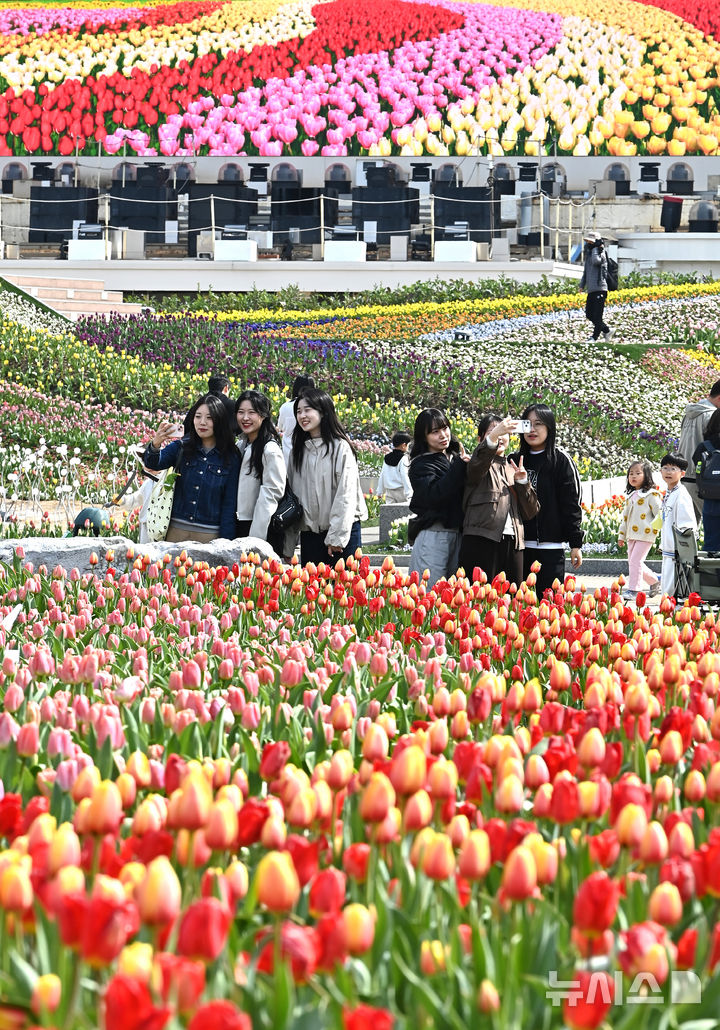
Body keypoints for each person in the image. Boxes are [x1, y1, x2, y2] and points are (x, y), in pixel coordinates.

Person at [286, 387, 367, 564]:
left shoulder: (340, 448)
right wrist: (288, 545)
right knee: (313, 590)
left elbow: (346, 495)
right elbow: (292, 500)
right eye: (298, 411)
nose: (302, 416)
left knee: (345, 589)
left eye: (308, 410)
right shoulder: (298, 452)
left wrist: (336, 538)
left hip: (343, 535)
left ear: (323, 412)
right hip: (311, 536)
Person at [143, 393, 240, 542]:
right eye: (198, 416)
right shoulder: (182, 447)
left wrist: (226, 542)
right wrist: (156, 444)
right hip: (175, 532)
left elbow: (229, 503)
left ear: (219, 420)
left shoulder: (230, 456)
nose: (202, 422)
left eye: (209, 418)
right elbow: (153, 463)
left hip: (210, 535)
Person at [511, 403, 583, 596]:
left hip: (550, 548)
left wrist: (575, 544)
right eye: (527, 424)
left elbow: (571, 503)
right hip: (519, 548)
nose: (532, 429)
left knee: (548, 609)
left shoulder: (560, 461)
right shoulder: (513, 459)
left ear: (549, 428)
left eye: (538, 424)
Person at [459, 414, 539, 585]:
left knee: (511, 603)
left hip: (514, 542)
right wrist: (493, 436)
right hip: (482, 540)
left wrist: (523, 482)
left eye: (505, 432)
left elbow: (531, 512)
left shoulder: (513, 469)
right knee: (479, 599)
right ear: (481, 438)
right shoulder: (474, 463)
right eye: (494, 432)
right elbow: (478, 465)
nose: (501, 436)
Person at [407, 408, 468, 587]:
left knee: (451, 597)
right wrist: (458, 467)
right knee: (430, 592)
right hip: (434, 534)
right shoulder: (421, 464)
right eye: (435, 432)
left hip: (457, 533)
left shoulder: (453, 457)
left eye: (445, 428)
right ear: (423, 437)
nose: (443, 435)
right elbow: (435, 495)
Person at [235, 389, 287, 554]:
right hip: (241, 521)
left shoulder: (269, 449)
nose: (245, 418)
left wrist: (255, 540)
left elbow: (271, 494)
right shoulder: (242, 444)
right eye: (241, 412)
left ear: (263, 416)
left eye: (252, 413)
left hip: (259, 527)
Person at [617, 459, 662, 601]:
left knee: (635, 561)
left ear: (647, 476)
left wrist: (654, 530)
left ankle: (634, 590)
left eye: (638, 473)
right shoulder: (631, 496)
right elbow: (625, 518)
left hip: (645, 535)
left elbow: (660, 514)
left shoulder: (652, 495)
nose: (633, 476)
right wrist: (621, 536)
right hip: (632, 535)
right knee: (634, 562)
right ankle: (654, 580)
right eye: (631, 474)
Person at [658, 452, 697, 598]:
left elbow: (687, 525)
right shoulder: (669, 492)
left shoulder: (681, 495)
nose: (668, 472)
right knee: (667, 590)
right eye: (665, 468)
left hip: (676, 553)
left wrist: (682, 550)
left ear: (682, 473)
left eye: (673, 468)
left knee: (673, 593)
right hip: (668, 550)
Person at [679, 379, 720, 519]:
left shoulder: (690, 412)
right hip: (703, 477)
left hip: (683, 474)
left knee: (688, 526)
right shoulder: (712, 415)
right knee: (713, 525)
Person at [692, 408, 720, 553]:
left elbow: (696, 463)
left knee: (711, 545)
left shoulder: (705, 446)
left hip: (711, 502)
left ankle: (711, 576)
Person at [579, 231, 613, 341]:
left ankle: (594, 337)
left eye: (591, 241)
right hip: (591, 289)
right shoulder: (589, 254)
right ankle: (607, 330)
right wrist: (582, 285)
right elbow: (586, 271)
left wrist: (595, 249)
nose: (589, 243)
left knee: (597, 316)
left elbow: (596, 262)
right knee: (589, 314)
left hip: (600, 288)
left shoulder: (600, 253)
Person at [278, 374, 315, 465]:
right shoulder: (315, 407)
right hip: (310, 457)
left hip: (288, 456)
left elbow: (280, 427)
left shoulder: (285, 406)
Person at [376, 431, 412, 503]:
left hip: (389, 492)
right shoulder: (404, 458)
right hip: (401, 491)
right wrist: (410, 494)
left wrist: (380, 491)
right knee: (403, 513)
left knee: (390, 512)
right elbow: (405, 476)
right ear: (403, 445)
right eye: (408, 445)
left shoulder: (387, 457)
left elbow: (382, 475)